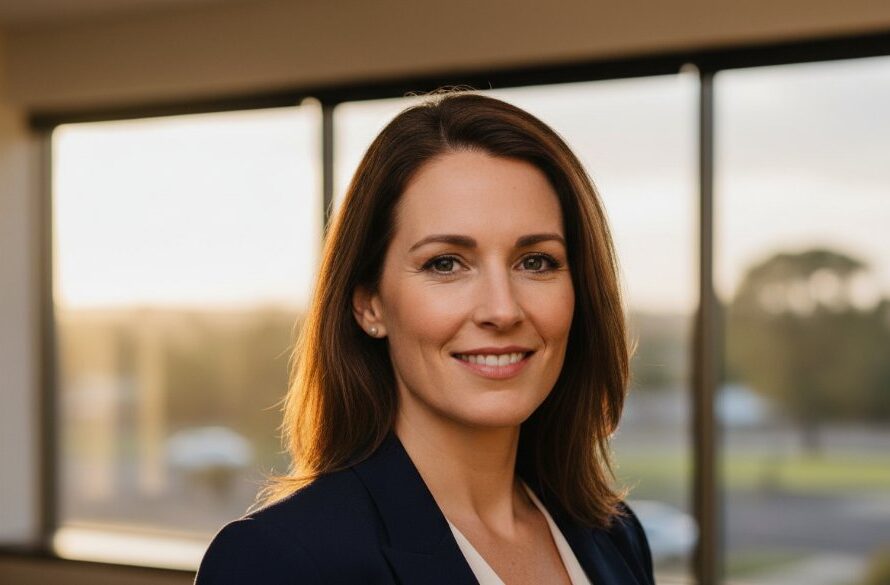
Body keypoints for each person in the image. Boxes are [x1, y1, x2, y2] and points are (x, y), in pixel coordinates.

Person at [195, 90, 655, 585]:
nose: (502, 310)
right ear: (370, 304)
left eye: (535, 262)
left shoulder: (615, 535)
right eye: (446, 263)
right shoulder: (276, 561)